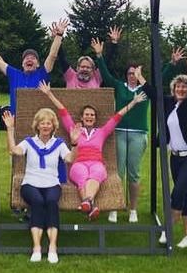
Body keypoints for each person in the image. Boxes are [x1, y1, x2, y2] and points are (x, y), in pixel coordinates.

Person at [38, 81, 147, 220]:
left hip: (97, 163)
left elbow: (117, 116)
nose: (89, 117)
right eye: (87, 114)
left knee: (96, 173)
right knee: (82, 174)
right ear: (82, 117)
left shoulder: (102, 132)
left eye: (92, 115)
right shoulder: (74, 129)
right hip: (79, 163)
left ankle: (87, 202)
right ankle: (90, 203)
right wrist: (49, 94)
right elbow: (62, 111)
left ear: (95, 119)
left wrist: (133, 102)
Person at [90, 28, 164, 224]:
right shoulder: (120, 87)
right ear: (126, 75)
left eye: (136, 73)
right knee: (117, 171)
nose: (132, 76)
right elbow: (106, 75)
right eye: (130, 73)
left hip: (138, 134)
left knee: (134, 172)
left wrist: (146, 76)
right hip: (120, 133)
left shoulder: (144, 89)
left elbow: (157, 90)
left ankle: (133, 209)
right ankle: (114, 207)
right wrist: (100, 55)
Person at [2, 108, 75, 263]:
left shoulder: (59, 144)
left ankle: (52, 247)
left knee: (51, 202)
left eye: (48, 123)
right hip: (30, 184)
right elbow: (14, 151)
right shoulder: (29, 142)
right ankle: (37, 248)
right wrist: (10, 129)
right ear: (37, 125)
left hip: (52, 184)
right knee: (38, 202)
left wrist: (75, 143)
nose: (45, 126)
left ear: (53, 126)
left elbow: (70, 159)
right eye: (42, 123)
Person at [156, 51, 187, 249]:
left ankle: (167, 229)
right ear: (173, 89)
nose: (181, 89)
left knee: (177, 193)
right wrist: (142, 79)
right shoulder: (171, 105)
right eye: (178, 86)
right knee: (185, 194)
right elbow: (155, 90)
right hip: (175, 158)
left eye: (184, 87)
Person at [0, 18, 67, 112]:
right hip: (16, 119)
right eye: (26, 58)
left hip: (38, 120)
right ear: (22, 64)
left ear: (38, 64)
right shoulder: (14, 74)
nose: (29, 59)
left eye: (33, 58)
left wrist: (59, 35)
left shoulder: (42, 73)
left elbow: (52, 55)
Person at [53, 22, 103, 89]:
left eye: (88, 67)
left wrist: (113, 43)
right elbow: (62, 59)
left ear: (93, 70)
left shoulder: (97, 77)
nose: (85, 69)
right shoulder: (70, 76)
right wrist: (58, 37)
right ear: (77, 68)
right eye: (82, 67)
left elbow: (105, 64)